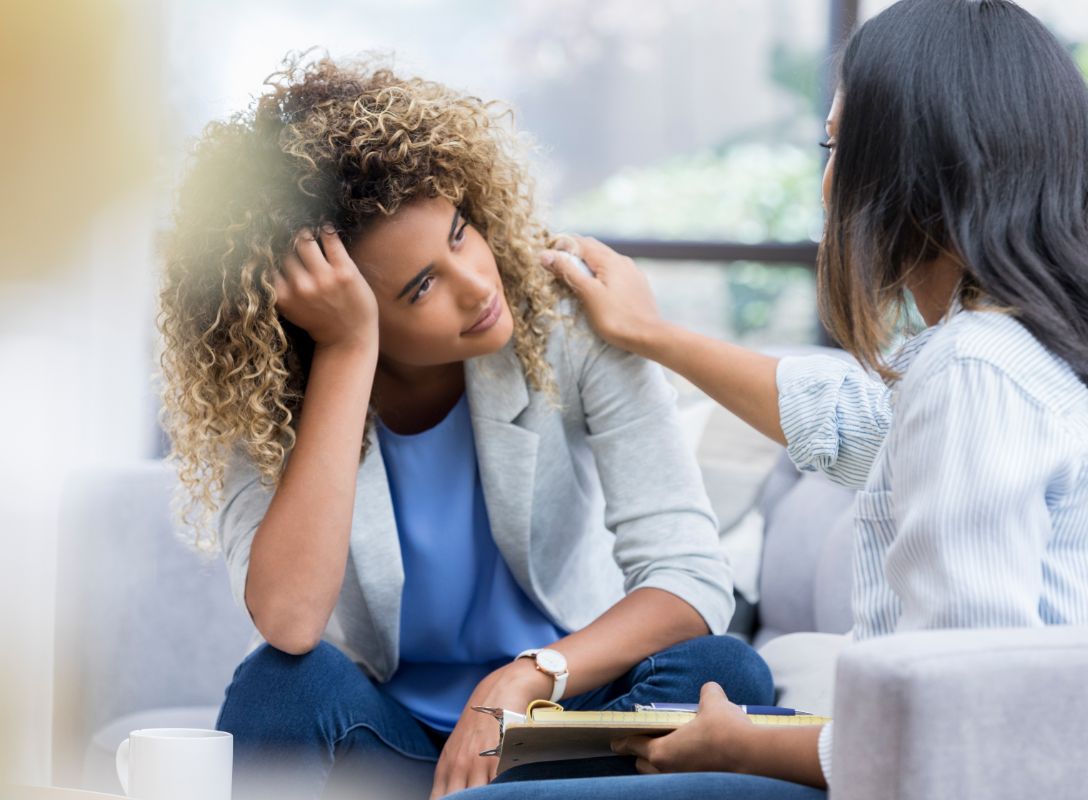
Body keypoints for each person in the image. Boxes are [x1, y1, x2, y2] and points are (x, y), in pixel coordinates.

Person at [455, 0, 1088, 797]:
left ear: (914, 170)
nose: (827, 180)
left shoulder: (976, 368)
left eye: (837, 144)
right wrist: (653, 336)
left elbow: (959, 720)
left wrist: (741, 749)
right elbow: (858, 426)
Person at [158, 56, 774, 800]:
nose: (478, 284)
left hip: (558, 730)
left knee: (725, 671)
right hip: (389, 741)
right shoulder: (263, 394)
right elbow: (289, 622)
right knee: (279, 684)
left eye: (459, 232)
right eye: (421, 287)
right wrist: (350, 352)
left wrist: (528, 675)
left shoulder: (569, 322)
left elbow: (689, 576)